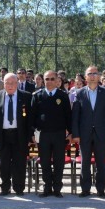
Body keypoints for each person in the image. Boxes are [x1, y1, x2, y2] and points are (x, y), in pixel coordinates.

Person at [72, 66, 105, 198]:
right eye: (89, 73)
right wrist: (76, 134)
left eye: (95, 73)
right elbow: (75, 116)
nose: (92, 76)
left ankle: (100, 189)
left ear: (99, 76)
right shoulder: (79, 93)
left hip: (102, 133)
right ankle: (85, 189)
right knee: (85, 162)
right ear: (85, 77)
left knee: (100, 162)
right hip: (84, 133)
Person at [31, 70, 72, 198]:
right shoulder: (37, 95)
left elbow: (68, 116)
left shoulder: (63, 96)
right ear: (43, 80)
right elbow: (32, 116)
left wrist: (70, 132)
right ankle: (47, 187)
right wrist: (32, 133)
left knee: (59, 162)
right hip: (43, 135)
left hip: (59, 134)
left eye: (52, 79)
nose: (49, 81)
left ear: (57, 81)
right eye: (47, 79)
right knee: (45, 162)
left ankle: (57, 188)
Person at [0, 73, 32, 196]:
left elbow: (30, 118)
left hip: (19, 135)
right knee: (3, 163)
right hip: (2, 135)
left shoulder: (26, 96)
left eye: (12, 83)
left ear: (17, 83)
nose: (10, 85)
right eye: (7, 83)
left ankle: (19, 188)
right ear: (3, 84)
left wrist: (30, 136)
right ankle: (5, 187)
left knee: (19, 163)